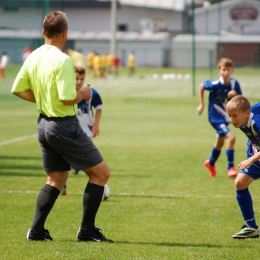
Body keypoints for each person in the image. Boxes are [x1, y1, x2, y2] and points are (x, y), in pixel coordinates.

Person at [11, 11, 113, 243]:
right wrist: (84, 93)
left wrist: (42, 99)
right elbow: (68, 98)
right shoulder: (63, 59)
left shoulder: (34, 56)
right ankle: (86, 232)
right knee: (101, 173)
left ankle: (36, 231)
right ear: (65, 33)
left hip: (43, 125)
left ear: (43, 32)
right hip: (64, 125)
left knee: (55, 179)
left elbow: (17, 88)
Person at [61, 66, 104, 194]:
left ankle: (91, 176)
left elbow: (99, 107)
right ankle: (63, 185)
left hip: (86, 129)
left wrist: (96, 125)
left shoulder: (91, 93)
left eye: (81, 79)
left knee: (85, 155)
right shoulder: (67, 93)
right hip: (69, 130)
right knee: (65, 158)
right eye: (76, 79)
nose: (79, 82)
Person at [197, 57, 242, 178]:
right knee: (231, 138)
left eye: (228, 69)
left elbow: (241, 100)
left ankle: (211, 163)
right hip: (215, 117)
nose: (226, 72)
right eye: (223, 70)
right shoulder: (215, 84)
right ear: (219, 71)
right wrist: (201, 104)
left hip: (226, 118)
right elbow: (201, 86)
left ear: (232, 70)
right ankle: (230, 168)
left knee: (220, 142)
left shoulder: (234, 84)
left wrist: (235, 95)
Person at [226, 95, 260, 239]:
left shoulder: (257, 122)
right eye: (230, 116)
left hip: (255, 157)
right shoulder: (245, 114)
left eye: (234, 116)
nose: (232, 120)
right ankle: (251, 227)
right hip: (256, 153)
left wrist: (250, 160)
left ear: (246, 113)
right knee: (240, 183)